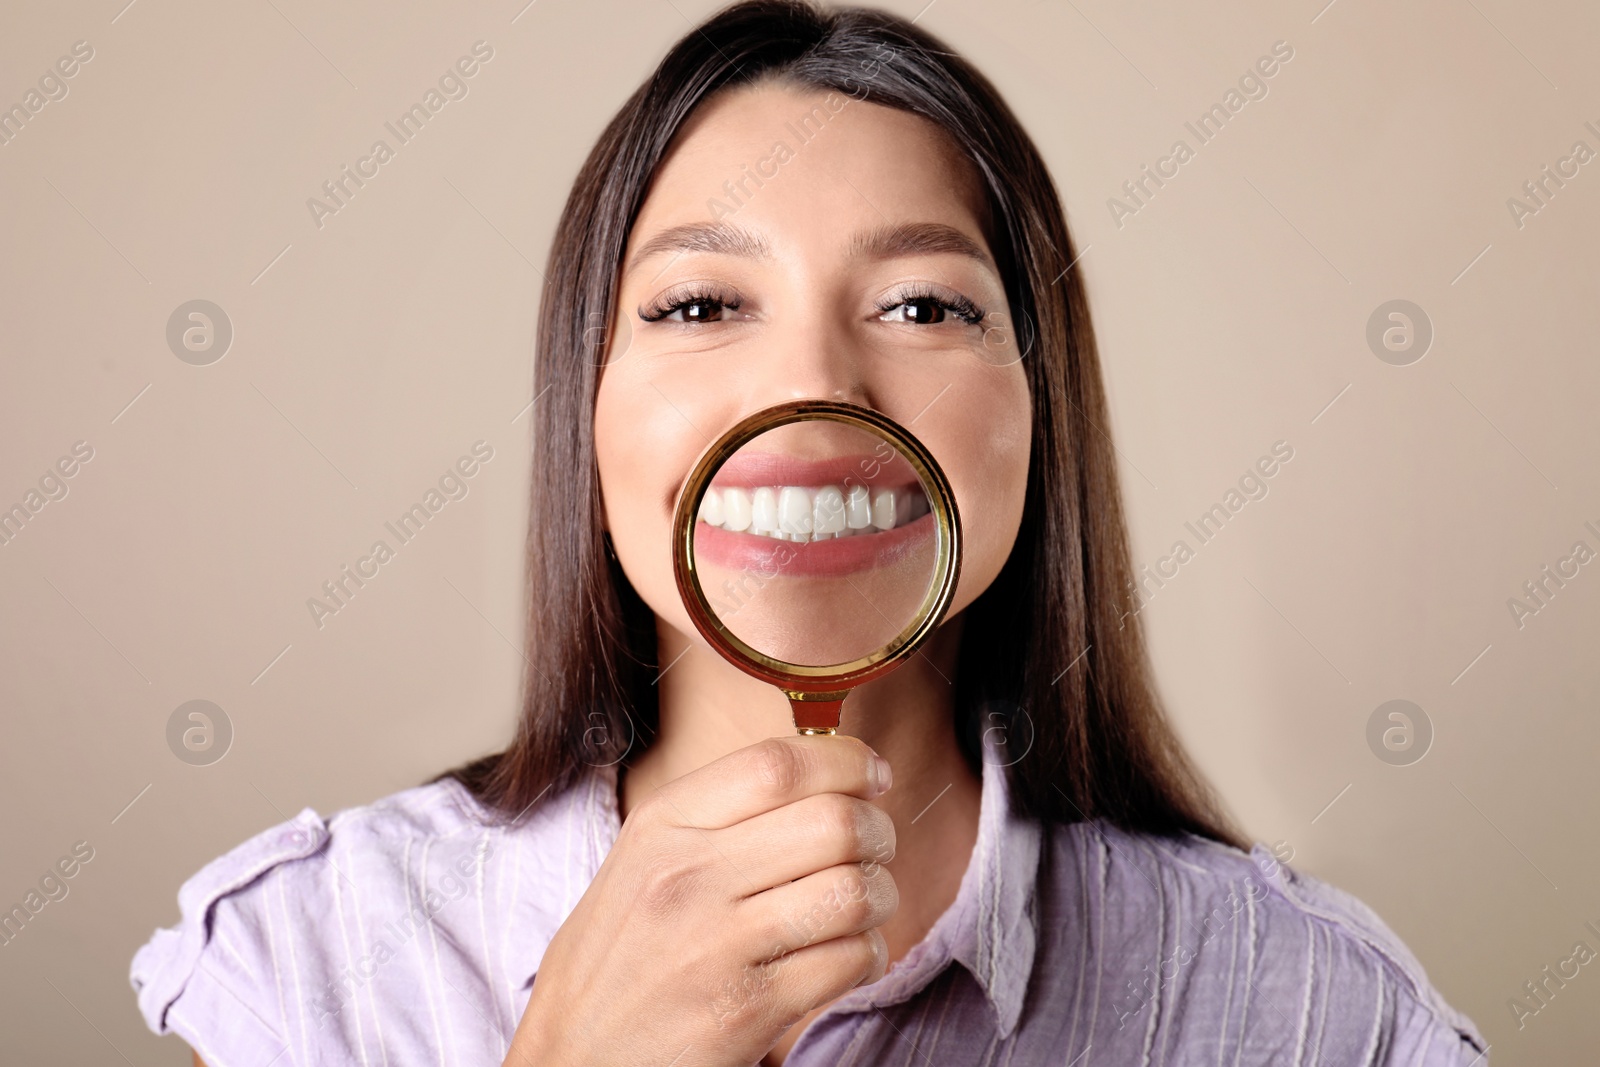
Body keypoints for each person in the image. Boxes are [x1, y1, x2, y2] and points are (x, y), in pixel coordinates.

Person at [129, 3, 1488, 1064]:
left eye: (920, 307)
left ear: (1041, 402)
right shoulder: (316, 961)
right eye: (703, 306)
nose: (815, 389)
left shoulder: (1310, 1008)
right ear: (584, 405)